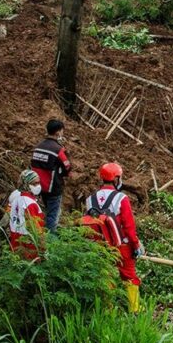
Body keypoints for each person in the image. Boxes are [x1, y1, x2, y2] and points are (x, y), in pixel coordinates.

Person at [81, 162, 145, 313]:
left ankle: (108, 309)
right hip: (121, 244)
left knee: (106, 275)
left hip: (100, 244)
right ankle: (134, 309)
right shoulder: (121, 198)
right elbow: (129, 227)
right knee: (129, 275)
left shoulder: (90, 199)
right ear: (116, 179)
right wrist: (135, 246)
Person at [31, 119, 72, 233]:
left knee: (43, 212)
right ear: (58, 132)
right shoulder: (58, 149)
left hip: (38, 187)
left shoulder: (38, 146)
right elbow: (67, 166)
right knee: (52, 216)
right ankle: (50, 242)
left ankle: (39, 235)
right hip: (53, 188)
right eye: (62, 131)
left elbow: (33, 164)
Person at [7, 169, 45, 258]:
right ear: (26, 184)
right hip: (29, 244)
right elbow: (34, 228)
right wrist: (42, 246)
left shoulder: (16, 200)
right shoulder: (30, 203)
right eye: (34, 183)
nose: (38, 186)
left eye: (38, 183)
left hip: (16, 240)